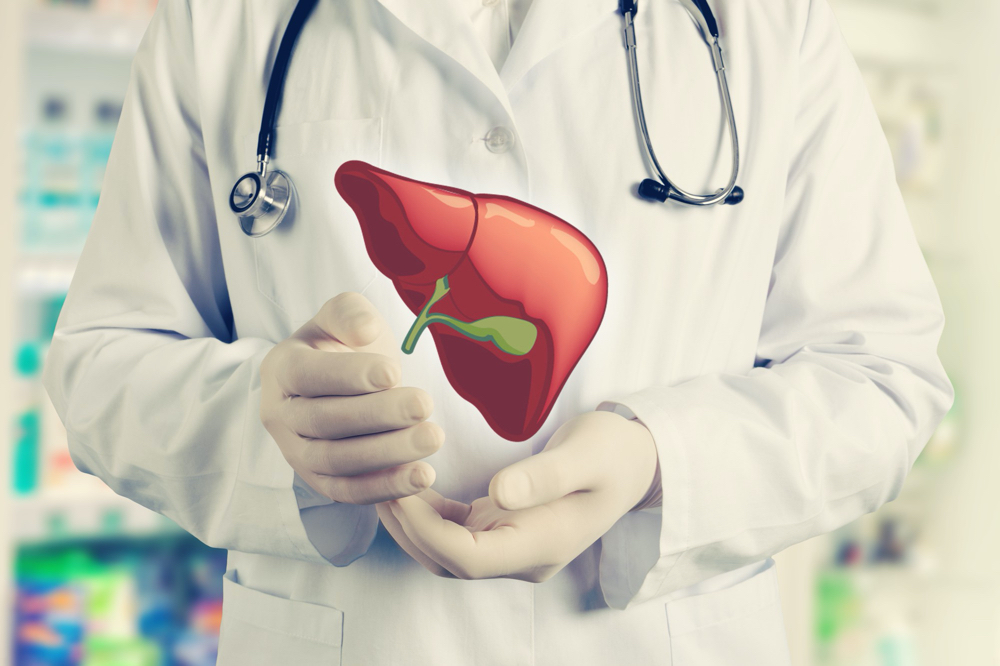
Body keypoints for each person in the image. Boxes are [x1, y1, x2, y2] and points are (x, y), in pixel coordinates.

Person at [41, 0, 954, 663]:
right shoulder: (225, 20)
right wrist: (265, 422)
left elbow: (881, 378)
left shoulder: (767, 25)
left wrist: (658, 459)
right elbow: (103, 365)